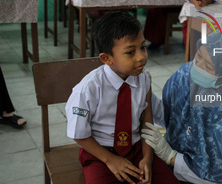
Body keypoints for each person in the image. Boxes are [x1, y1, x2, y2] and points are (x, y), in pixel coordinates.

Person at [65, 12, 180, 184]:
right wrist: (110, 160)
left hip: (137, 150)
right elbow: (78, 133)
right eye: (130, 52)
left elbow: (147, 122)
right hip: (100, 154)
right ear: (106, 58)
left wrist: (147, 158)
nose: (141, 57)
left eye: (143, 47)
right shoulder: (88, 89)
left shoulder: (143, 79)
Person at [142, 31, 222, 184]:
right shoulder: (187, 75)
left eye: (208, 66)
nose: (198, 67)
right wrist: (147, 93)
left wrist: (172, 158)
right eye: (199, 56)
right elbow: (170, 116)